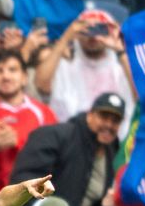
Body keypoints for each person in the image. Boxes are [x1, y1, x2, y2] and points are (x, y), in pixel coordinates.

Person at [4, 92, 126, 206]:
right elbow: (24, 183)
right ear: (90, 114)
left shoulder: (112, 153)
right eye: (104, 117)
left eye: (115, 121)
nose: (109, 125)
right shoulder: (55, 136)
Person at [0, 50, 58, 194]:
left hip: (34, 195)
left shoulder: (44, 113)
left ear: (25, 77)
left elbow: (55, 158)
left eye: (12, 70)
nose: (6, 76)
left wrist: (17, 144)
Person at [34, 9, 135, 137]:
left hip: (114, 142)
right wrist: (66, 38)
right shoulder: (65, 69)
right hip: (71, 142)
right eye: (86, 29)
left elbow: (141, 97)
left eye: (100, 28)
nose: (92, 35)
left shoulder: (121, 70)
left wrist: (120, 49)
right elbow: (41, 85)